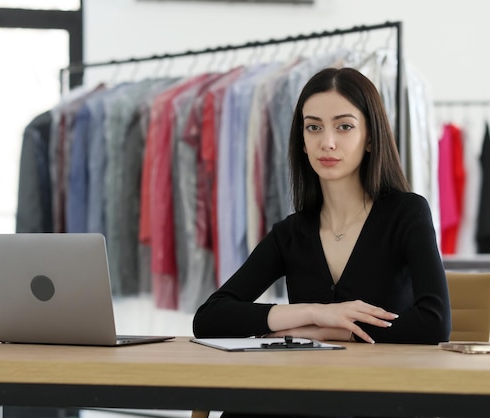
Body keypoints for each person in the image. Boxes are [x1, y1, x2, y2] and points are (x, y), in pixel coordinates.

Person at [192, 67, 451, 417]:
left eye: (344, 126)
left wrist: (334, 332)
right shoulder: (292, 233)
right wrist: (313, 313)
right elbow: (210, 318)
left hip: (381, 396)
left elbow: (434, 323)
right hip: (307, 392)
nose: (326, 142)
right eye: (313, 127)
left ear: (371, 137)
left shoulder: (406, 213)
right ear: (302, 140)